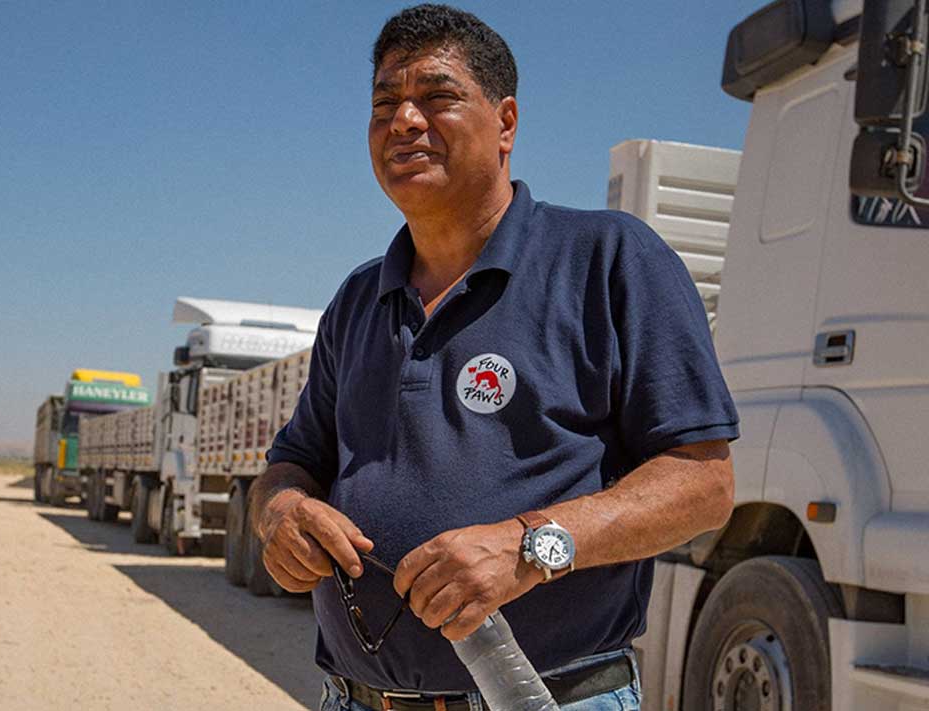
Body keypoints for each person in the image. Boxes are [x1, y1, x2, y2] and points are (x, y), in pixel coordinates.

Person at [248, 5, 739, 710]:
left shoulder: (608, 261)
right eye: (385, 104)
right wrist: (282, 511)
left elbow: (704, 486)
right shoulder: (358, 298)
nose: (404, 122)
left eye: (437, 97)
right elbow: (291, 464)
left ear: (506, 122)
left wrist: (525, 547)